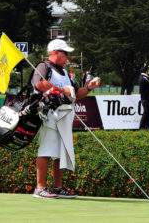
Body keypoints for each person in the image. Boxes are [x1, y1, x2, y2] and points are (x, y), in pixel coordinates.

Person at [31, 39, 101, 199]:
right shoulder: (44, 66)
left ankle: (57, 187)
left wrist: (90, 87)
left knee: (61, 153)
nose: (68, 56)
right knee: (46, 150)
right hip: (48, 114)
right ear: (56, 53)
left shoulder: (63, 72)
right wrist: (63, 90)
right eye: (66, 53)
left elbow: (77, 92)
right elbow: (38, 84)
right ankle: (40, 188)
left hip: (63, 118)